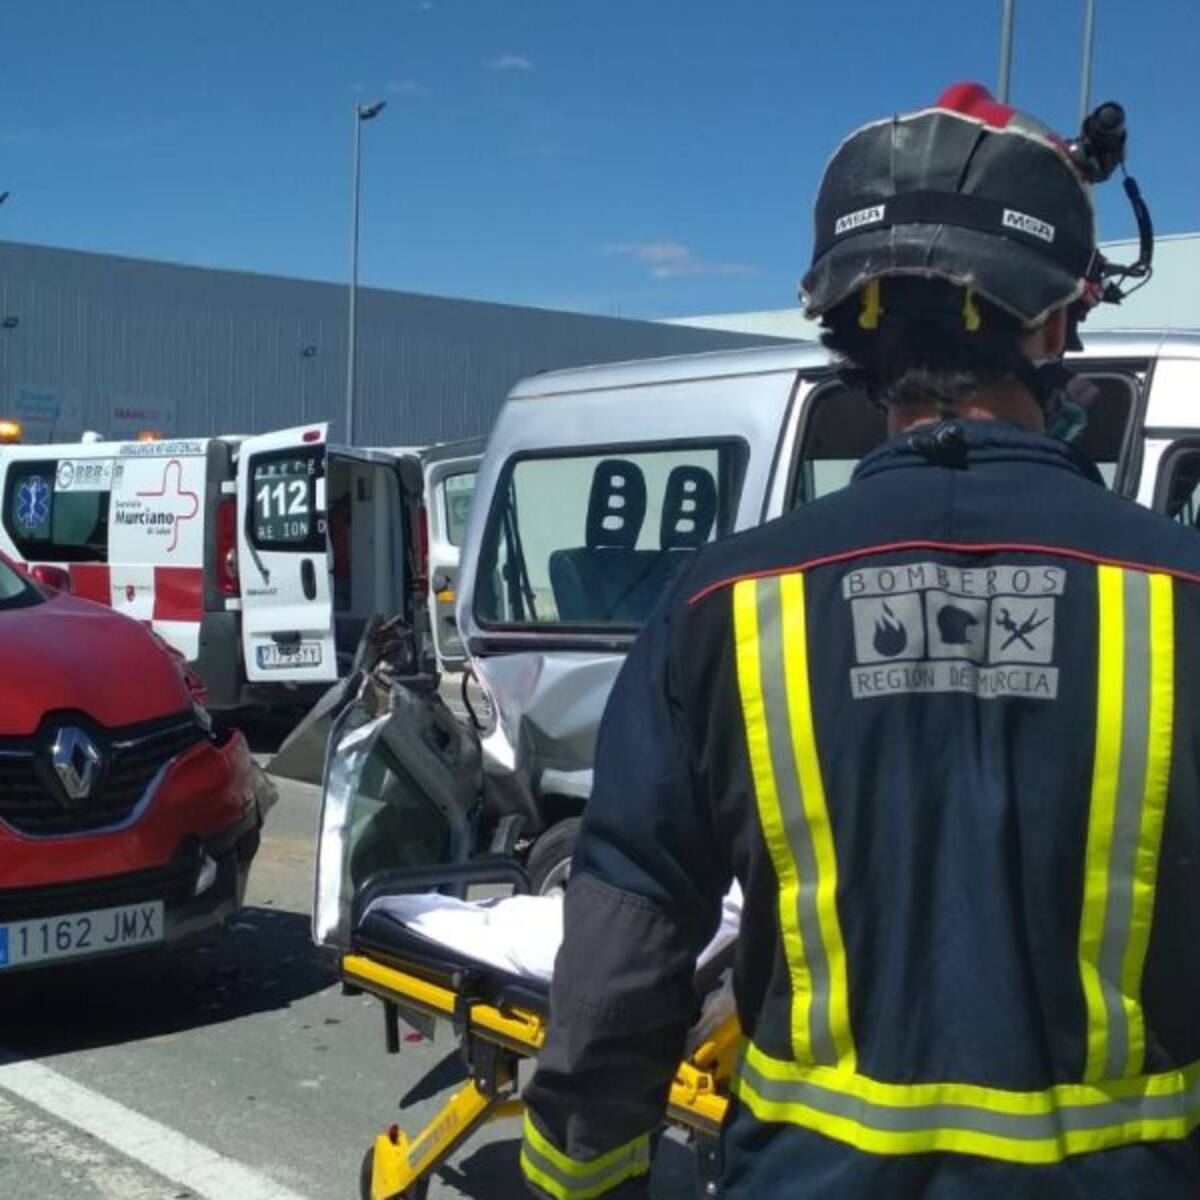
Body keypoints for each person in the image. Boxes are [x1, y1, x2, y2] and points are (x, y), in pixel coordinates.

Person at [519, 83, 1200, 1198]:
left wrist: (576, 1177)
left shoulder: (724, 605)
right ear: (1055, 321)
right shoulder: (1179, 595)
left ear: (850, 330)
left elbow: (622, 951)